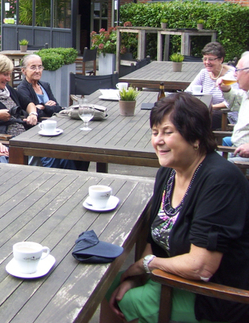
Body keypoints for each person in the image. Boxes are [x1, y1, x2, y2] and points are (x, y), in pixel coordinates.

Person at [101, 92, 249, 323]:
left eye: (168, 132)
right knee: (112, 286)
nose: (158, 140)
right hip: (171, 276)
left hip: (212, 296)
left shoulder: (219, 180)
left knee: (123, 298)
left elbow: (202, 268)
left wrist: (143, 266)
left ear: (195, 137)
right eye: (155, 132)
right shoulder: (168, 173)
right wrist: (136, 276)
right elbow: (155, 239)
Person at [185, 42, 237, 129]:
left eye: (211, 59)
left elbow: (234, 100)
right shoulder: (204, 73)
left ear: (221, 59)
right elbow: (188, 91)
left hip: (226, 114)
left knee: (198, 120)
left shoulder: (232, 75)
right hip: (205, 111)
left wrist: (211, 107)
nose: (207, 62)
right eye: (205, 59)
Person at [218, 51, 249, 157]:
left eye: (237, 70)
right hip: (235, 144)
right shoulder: (246, 93)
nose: (235, 74)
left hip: (242, 156)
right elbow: (236, 102)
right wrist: (226, 90)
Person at [16, 54, 63, 118]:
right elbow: (33, 113)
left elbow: (58, 108)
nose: (37, 71)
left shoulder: (45, 85)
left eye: (40, 67)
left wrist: (43, 107)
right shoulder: (22, 89)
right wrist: (48, 108)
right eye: (33, 67)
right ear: (24, 70)